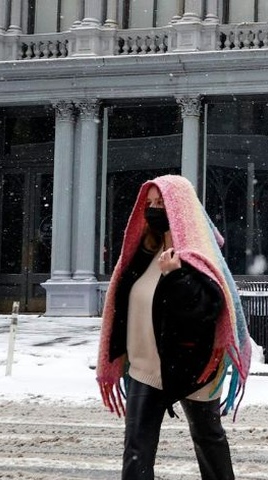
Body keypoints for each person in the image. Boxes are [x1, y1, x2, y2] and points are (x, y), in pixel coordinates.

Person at [96, 174, 250, 480]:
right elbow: (124, 305)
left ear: (178, 208)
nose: (154, 210)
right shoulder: (141, 255)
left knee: (207, 439)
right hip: (144, 368)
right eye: (150, 203)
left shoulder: (197, 257)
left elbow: (205, 310)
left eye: (161, 203)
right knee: (137, 449)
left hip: (194, 368)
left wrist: (176, 275)